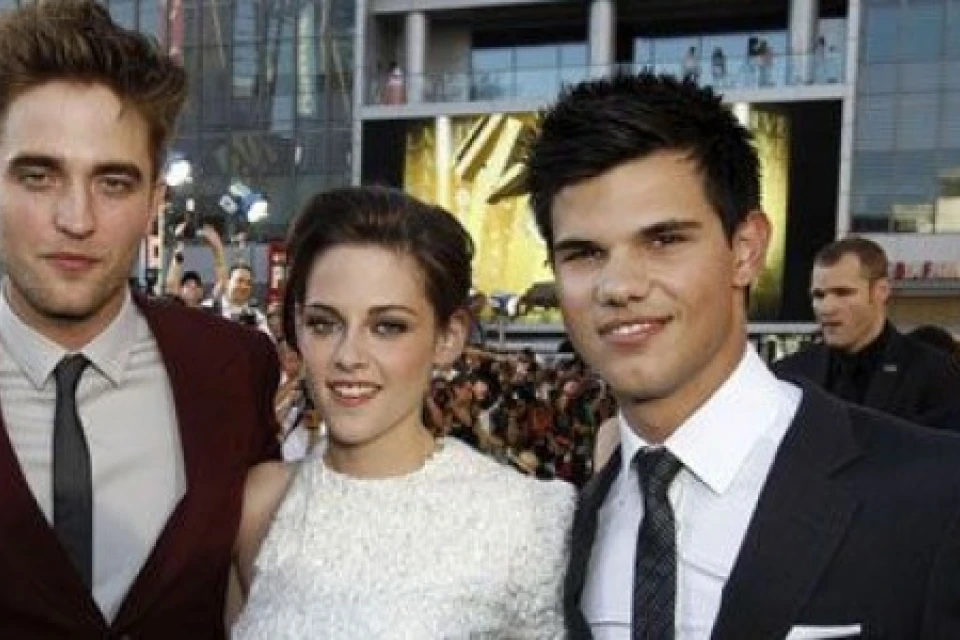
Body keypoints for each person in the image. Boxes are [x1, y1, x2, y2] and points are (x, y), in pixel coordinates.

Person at [524, 72, 960, 639]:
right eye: (584, 253)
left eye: (664, 240)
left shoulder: (936, 494)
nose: (619, 286)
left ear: (746, 250)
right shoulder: (564, 536)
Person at [0, 2, 281, 637]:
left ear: (154, 202)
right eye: (39, 176)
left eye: (114, 183)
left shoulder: (233, 369)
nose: (76, 219)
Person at [231, 186, 574, 637]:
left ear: (449, 336)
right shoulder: (259, 502)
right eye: (324, 323)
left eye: (388, 327)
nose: (348, 355)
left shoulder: (528, 520)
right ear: (296, 324)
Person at [773, 237, 960, 430]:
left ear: (881, 291)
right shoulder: (788, 376)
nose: (827, 308)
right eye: (818, 295)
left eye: (843, 293)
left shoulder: (935, 374)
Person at [163, 222, 228, 307]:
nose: (193, 287)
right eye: (187, 284)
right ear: (180, 290)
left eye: (197, 285)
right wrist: (180, 243)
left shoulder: (207, 307)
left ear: (201, 292)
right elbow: (171, 285)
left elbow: (222, 283)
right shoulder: (175, 307)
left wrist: (217, 246)